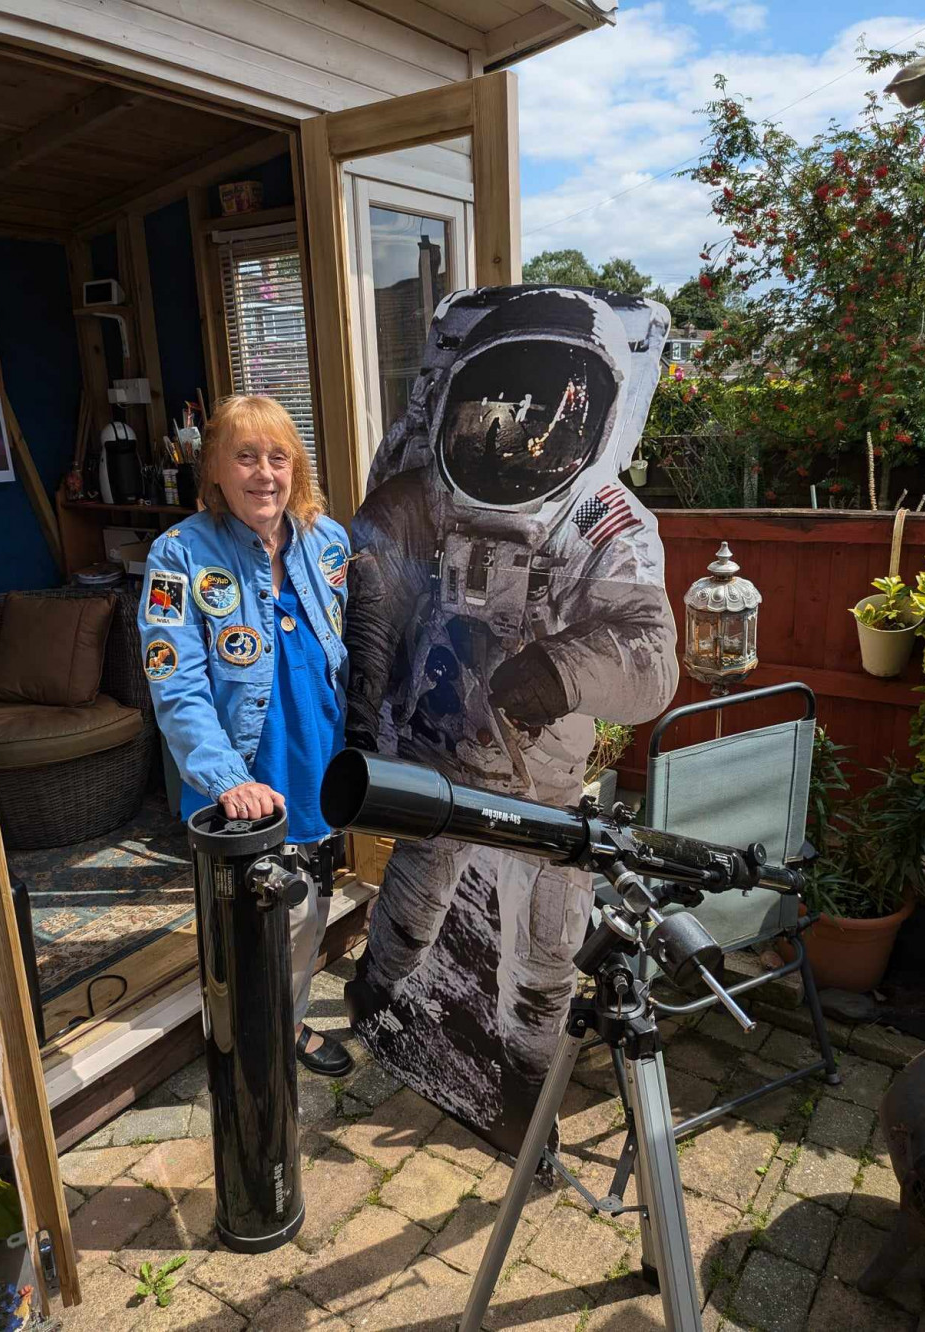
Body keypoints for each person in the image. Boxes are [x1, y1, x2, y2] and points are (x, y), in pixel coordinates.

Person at [344, 286, 678, 1112]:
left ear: (597, 412)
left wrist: (564, 671)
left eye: (552, 411)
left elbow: (652, 655)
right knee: (414, 901)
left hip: (542, 789)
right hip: (439, 763)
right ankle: (381, 1001)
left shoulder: (604, 518)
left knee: (547, 942)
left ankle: (525, 1072)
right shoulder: (420, 498)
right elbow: (371, 605)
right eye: (498, 404)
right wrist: (363, 713)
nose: (523, 432)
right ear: (458, 401)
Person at [138, 394, 352, 1077]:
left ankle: (283, 1026)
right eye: (246, 456)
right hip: (245, 784)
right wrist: (228, 779)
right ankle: (244, 1045)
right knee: (244, 930)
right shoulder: (178, 555)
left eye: (278, 457)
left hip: (318, 768)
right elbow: (175, 684)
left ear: (297, 468)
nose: (264, 473)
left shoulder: (328, 541)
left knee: (307, 914)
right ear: (216, 470)